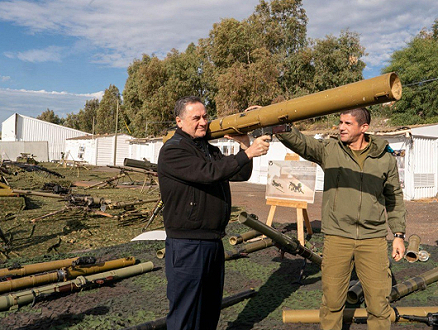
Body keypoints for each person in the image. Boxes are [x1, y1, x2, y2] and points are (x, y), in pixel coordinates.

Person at [276, 107, 406, 330]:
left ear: (364, 128)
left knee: (378, 304)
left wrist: (399, 235)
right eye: (340, 122)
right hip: (337, 237)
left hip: (372, 239)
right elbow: (303, 143)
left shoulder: (384, 158)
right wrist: (277, 122)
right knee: (332, 302)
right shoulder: (331, 150)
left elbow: (393, 197)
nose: (340, 127)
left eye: (347, 123)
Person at [157, 96, 270, 330]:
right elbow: (208, 173)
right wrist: (247, 154)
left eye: (205, 116)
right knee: (185, 315)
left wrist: (244, 144)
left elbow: (239, 174)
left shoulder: (207, 149)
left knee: (209, 312)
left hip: (212, 242)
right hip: (187, 244)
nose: (203, 122)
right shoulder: (174, 150)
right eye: (195, 118)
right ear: (179, 121)